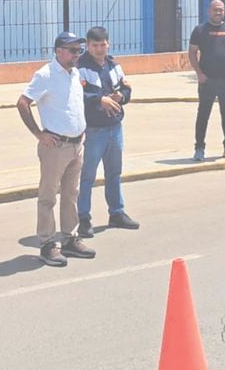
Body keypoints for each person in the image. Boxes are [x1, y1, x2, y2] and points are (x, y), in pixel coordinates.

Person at [17, 32, 97, 267]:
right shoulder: (45, 75)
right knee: (48, 196)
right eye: (72, 50)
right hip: (56, 146)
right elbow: (23, 103)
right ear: (58, 51)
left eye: (79, 51)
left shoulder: (74, 74)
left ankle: (70, 238)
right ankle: (47, 243)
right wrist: (38, 134)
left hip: (76, 144)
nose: (76, 55)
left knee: (71, 194)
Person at [75, 26, 139, 239]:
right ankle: (83, 219)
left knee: (114, 173)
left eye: (103, 45)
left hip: (115, 128)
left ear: (108, 44)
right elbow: (77, 95)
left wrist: (123, 96)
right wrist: (98, 99)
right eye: (95, 45)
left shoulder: (114, 65)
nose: (99, 49)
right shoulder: (80, 68)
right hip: (94, 131)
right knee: (87, 177)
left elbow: (127, 88)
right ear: (88, 45)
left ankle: (116, 213)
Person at [188, 0, 225, 163]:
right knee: (203, 115)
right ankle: (199, 148)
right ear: (209, 11)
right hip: (207, 81)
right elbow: (192, 53)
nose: (218, 13)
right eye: (215, 10)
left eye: (221, 10)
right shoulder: (200, 30)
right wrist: (199, 74)